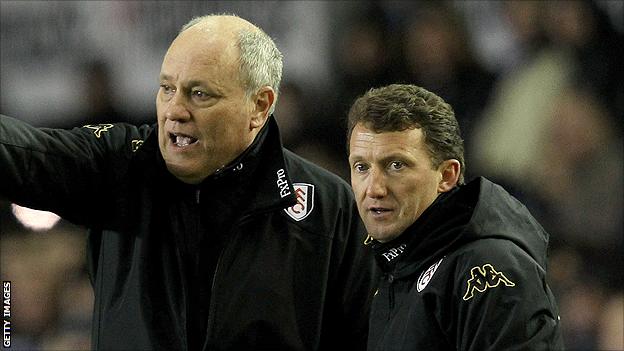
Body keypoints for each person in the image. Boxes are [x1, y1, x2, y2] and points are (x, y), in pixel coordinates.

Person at [0, 14, 378, 350]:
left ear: (259, 106)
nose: (175, 111)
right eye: (167, 89)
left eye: (199, 94)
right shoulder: (121, 166)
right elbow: (27, 154)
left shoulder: (330, 210)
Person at [346, 84, 564, 350]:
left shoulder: (488, 267)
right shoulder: (391, 267)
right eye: (362, 167)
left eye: (396, 165)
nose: (374, 188)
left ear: (447, 175)